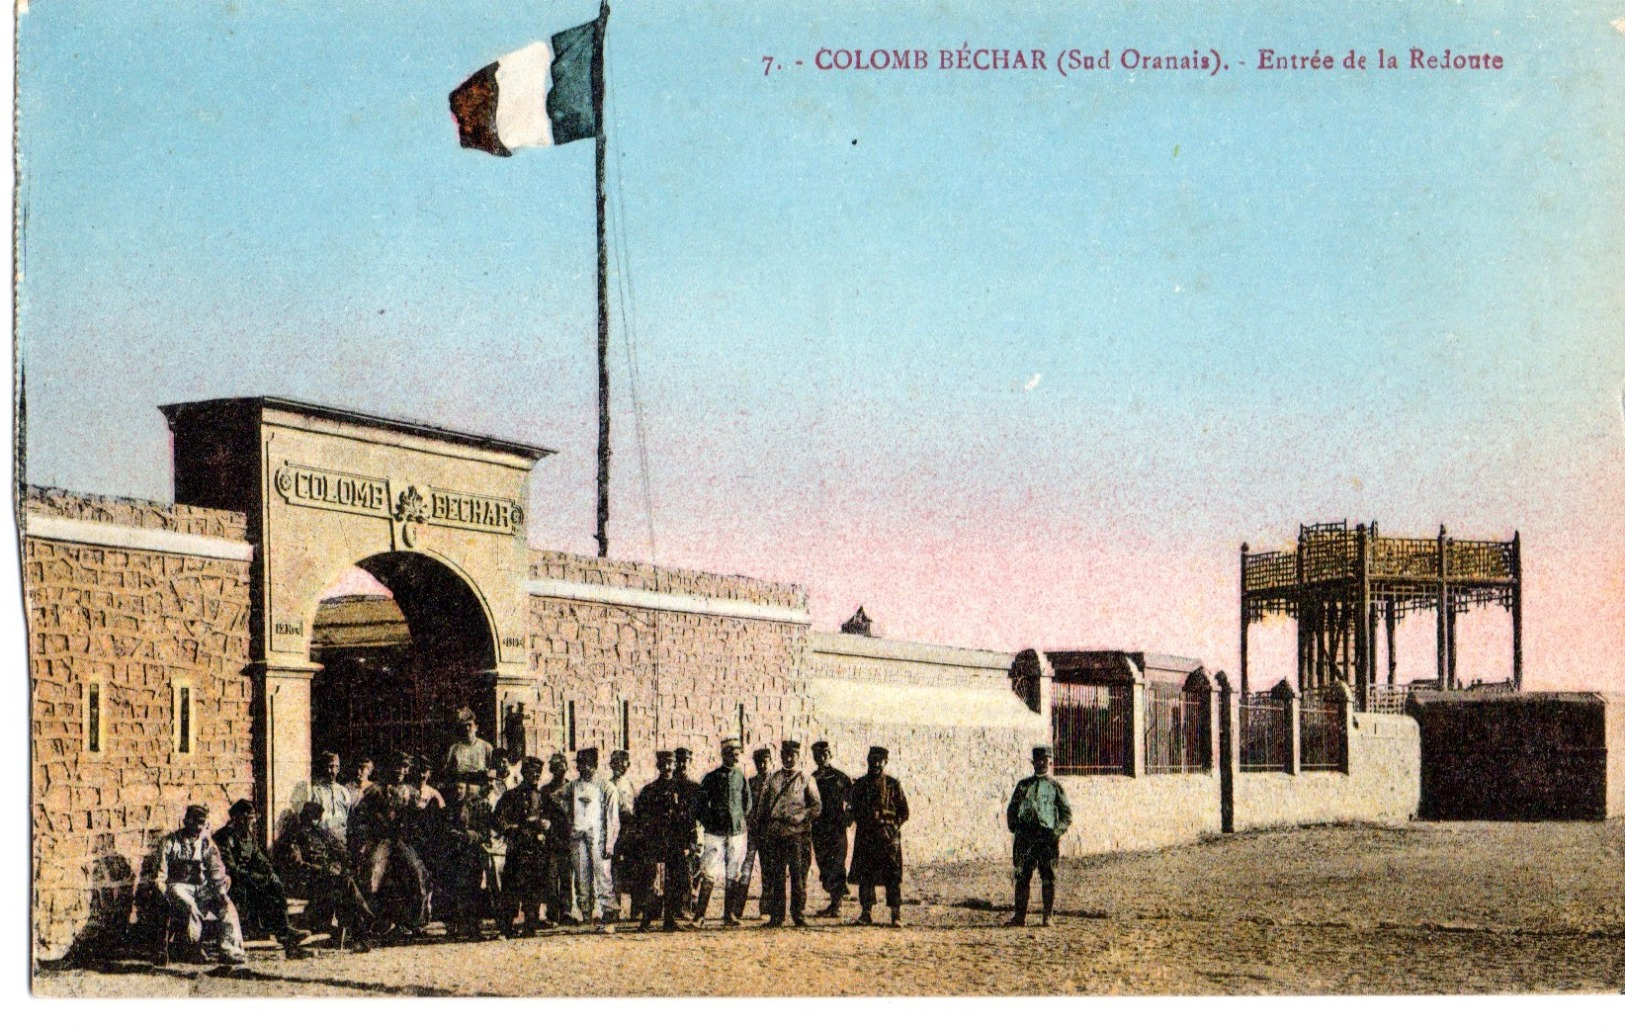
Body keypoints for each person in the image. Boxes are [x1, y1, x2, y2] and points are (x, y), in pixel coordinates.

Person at [213, 799, 312, 957]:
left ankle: (285, 931)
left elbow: (259, 857)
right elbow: (230, 868)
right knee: (262, 890)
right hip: (232, 882)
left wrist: (268, 870)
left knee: (274, 881)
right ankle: (284, 935)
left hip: (248, 878)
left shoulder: (248, 835)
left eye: (253, 817)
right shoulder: (223, 837)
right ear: (238, 818)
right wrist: (255, 876)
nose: (252, 821)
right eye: (249, 818)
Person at [273, 801, 375, 951]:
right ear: (305, 817)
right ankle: (364, 924)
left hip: (324, 877)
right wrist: (324, 870)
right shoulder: (293, 837)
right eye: (314, 817)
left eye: (318, 818)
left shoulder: (321, 833)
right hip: (306, 882)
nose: (317, 821)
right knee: (344, 884)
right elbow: (298, 866)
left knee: (343, 885)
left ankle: (359, 933)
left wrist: (338, 866)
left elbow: (338, 852)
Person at [350, 752, 432, 938]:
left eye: (404, 767)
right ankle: (372, 923)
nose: (400, 770)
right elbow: (362, 818)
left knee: (416, 874)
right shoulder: (376, 790)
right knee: (372, 876)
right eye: (397, 765)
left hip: (402, 840)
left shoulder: (412, 792)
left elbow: (416, 819)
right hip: (380, 840)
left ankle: (414, 922)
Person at [153, 804, 246, 965]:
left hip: (203, 888)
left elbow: (216, 870)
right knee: (189, 906)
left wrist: (220, 890)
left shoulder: (206, 843)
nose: (198, 827)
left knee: (226, 905)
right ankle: (192, 946)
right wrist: (164, 894)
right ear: (185, 821)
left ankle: (229, 949)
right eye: (195, 822)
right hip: (178, 886)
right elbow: (160, 876)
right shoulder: (170, 842)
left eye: (201, 823)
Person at [752, 739, 821, 927]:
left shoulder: (806, 779)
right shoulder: (773, 779)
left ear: (798, 757)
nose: (788, 758)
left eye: (792, 755)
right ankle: (777, 916)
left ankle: (798, 914)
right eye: (785, 755)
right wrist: (763, 828)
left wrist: (801, 816)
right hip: (776, 835)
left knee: (798, 876)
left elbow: (816, 807)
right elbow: (763, 807)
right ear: (781, 756)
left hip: (798, 835)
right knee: (777, 876)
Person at [1005, 745, 1072, 927]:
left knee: (1048, 877)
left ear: (1050, 763)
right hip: (1025, 839)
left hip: (1047, 839)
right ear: (1033, 762)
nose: (1041, 763)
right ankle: (1020, 917)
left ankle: (1047, 917)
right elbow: (1012, 809)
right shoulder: (1023, 785)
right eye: (1038, 760)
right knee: (1022, 877)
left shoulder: (1055, 787)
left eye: (1045, 760)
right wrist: (1015, 828)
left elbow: (1066, 815)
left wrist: (1055, 833)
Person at [847, 746, 910, 927]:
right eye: (872, 759)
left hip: (887, 838)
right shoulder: (859, 785)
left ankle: (895, 915)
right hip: (866, 837)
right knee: (865, 877)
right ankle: (866, 914)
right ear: (867, 760)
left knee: (892, 876)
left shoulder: (893, 784)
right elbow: (851, 810)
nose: (875, 763)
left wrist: (891, 828)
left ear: (885, 762)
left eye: (879, 760)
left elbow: (904, 812)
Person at [695, 737, 754, 927]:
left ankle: (729, 916)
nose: (735, 759)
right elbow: (700, 806)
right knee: (709, 871)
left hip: (736, 832)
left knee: (733, 872)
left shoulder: (741, 777)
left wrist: (738, 820)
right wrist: (710, 821)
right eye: (731, 755)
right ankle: (699, 916)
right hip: (714, 833)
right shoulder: (711, 778)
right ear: (723, 755)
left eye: (737, 755)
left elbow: (747, 803)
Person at [494, 756, 554, 937]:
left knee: (533, 886)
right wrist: (509, 829)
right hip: (517, 847)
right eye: (531, 771)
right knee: (511, 886)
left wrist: (548, 824)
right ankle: (506, 926)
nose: (535, 775)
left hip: (536, 848)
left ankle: (530, 925)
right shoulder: (511, 796)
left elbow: (555, 819)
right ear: (523, 773)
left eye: (538, 772)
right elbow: (498, 818)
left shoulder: (543, 797)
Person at [634, 750, 694, 932]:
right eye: (664, 764)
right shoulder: (649, 790)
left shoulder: (682, 790)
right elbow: (640, 817)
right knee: (652, 881)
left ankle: (669, 920)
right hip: (655, 842)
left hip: (675, 842)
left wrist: (689, 841)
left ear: (675, 765)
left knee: (674, 881)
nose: (668, 767)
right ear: (658, 766)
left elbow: (687, 818)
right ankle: (646, 920)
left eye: (671, 763)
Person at [428, 779, 496, 940]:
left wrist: (472, 836)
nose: (458, 791)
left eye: (461, 788)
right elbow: (442, 830)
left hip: (472, 854)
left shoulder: (477, 807)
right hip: (453, 854)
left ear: (466, 789)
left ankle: (473, 927)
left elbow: (485, 831)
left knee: (473, 889)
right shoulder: (447, 808)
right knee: (453, 890)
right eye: (455, 788)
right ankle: (453, 927)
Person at [566, 747, 620, 932]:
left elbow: (613, 819)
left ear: (594, 765)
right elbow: (556, 798)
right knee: (582, 877)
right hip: (578, 837)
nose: (582, 768)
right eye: (580, 764)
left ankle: (609, 916)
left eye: (586, 765)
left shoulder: (606, 786)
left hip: (599, 837)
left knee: (603, 876)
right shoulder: (573, 786)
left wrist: (610, 843)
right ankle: (587, 917)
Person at [810, 740, 853, 918]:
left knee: (837, 863)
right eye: (817, 755)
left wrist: (847, 820)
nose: (821, 758)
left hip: (836, 828)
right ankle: (833, 901)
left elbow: (852, 801)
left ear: (830, 756)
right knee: (824, 864)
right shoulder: (811, 778)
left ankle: (837, 904)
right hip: (819, 828)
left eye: (824, 755)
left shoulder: (840, 777)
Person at [606, 749, 642, 920]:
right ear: (612, 765)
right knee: (615, 871)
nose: (620, 766)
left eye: (623, 763)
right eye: (616, 763)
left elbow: (636, 808)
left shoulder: (630, 785)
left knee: (634, 869)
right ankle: (614, 910)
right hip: (614, 830)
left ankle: (636, 910)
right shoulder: (607, 785)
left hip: (630, 830)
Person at [742, 745, 774, 919]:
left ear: (771, 762)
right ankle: (736, 910)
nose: (762, 765)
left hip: (769, 833)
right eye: (758, 762)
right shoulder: (751, 782)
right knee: (745, 869)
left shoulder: (776, 782)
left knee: (768, 870)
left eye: (765, 761)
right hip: (753, 832)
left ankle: (766, 908)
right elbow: (745, 805)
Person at [672, 746, 702, 914]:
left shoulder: (695, 787)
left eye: (686, 761)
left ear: (690, 762)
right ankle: (678, 905)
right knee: (677, 868)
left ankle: (691, 901)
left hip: (692, 830)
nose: (682, 764)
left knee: (695, 867)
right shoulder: (670, 785)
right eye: (679, 761)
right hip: (674, 832)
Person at [442, 707, 497, 795]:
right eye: (464, 726)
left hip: (481, 794)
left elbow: (494, 772)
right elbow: (447, 774)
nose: (467, 728)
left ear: (476, 727)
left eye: (469, 725)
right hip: (460, 794)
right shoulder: (454, 749)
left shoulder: (486, 747)